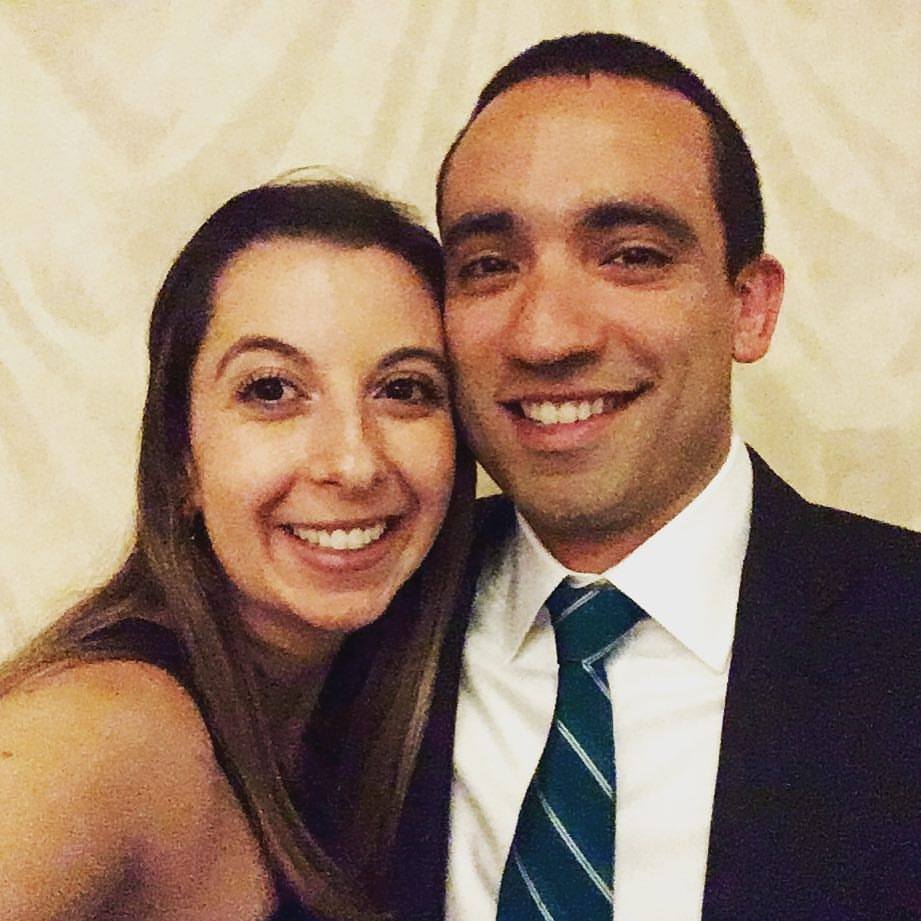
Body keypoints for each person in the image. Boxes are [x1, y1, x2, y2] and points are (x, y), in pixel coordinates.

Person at [388, 33, 921, 920]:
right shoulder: (358, 624)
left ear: (747, 307)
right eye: (488, 266)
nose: (546, 335)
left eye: (631, 254)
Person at [0, 178, 475, 921]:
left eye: (404, 390)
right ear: (180, 460)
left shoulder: (363, 718)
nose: (353, 463)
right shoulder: (101, 732)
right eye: (272, 391)